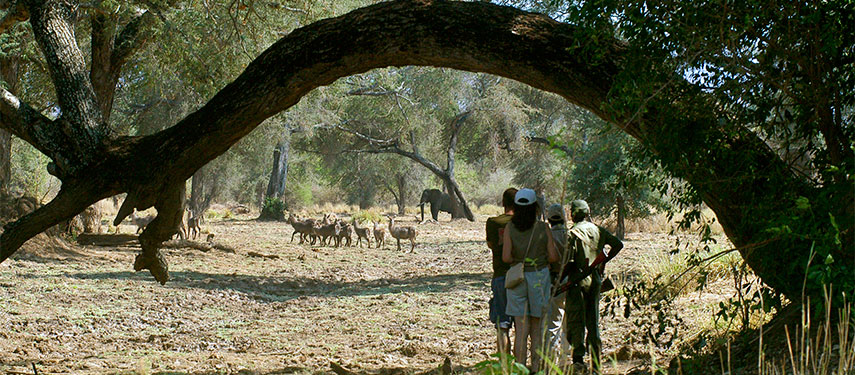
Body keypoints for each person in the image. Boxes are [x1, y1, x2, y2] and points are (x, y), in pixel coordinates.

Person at [502, 188, 559, 372]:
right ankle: (535, 369)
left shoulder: (510, 227)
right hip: (539, 277)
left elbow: (506, 257)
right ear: (535, 207)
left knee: (520, 329)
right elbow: (553, 256)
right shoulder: (543, 228)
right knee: (536, 328)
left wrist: (519, 260)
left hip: (517, 278)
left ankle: (520, 369)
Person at [564, 200, 623, 374]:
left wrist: (560, 280)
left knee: (576, 320)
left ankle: (578, 360)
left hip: (577, 282)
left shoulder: (572, 233)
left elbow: (569, 261)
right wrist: (603, 261)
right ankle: (596, 362)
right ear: (587, 213)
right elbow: (618, 244)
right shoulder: (598, 230)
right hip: (595, 280)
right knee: (593, 321)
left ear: (572, 214)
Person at [485, 188, 518, 355]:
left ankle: (504, 364)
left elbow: (491, 244)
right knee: (522, 327)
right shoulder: (524, 223)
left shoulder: (493, 222)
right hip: (520, 277)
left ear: (503, 203)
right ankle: (521, 364)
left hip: (500, 276)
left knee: (502, 326)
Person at [544, 203, 570, 363]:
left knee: (553, 324)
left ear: (549, 219)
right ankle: (566, 359)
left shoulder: (546, 237)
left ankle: (551, 359)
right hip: (572, 282)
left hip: (554, 282)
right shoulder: (571, 235)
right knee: (569, 323)